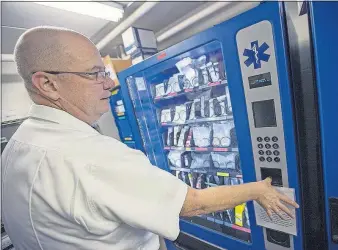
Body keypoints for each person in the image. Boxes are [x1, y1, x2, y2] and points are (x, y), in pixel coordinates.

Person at [1, 26, 299, 250]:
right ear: (48, 84)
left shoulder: (17, 145)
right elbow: (192, 203)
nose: (109, 84)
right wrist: (259, 189)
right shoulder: (90, 155)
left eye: (105, 72)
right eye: (94, 74)